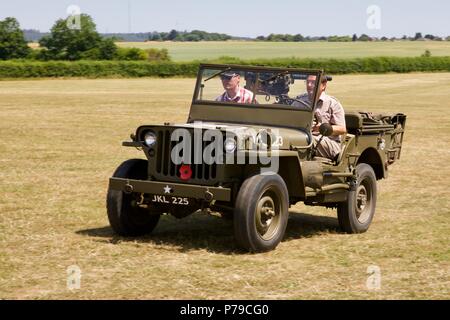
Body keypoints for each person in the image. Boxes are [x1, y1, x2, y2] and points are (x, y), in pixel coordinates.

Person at [296, 74, 347, 159]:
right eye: (307, 82)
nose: (309, 85)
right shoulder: (299, 101)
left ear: (323, 85)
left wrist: (323, 128)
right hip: (302, 136)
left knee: (306, 140)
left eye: (313, 83)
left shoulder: (332, 104)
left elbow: (342, 129)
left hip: (329, 142)